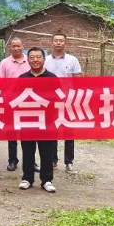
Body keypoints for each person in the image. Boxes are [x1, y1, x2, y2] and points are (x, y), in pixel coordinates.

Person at [18, 47, 57, 193]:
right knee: (27, 150)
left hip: (46, 121)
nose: (35, 60)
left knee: (47, 151)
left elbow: (58, 98)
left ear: (44, 59)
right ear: (27, 60)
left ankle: (47, 180)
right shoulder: (22, 78)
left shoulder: (52, 78)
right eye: (32, 57)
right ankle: (27, 178)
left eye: (38, 57)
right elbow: (15, 98)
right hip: (27, 120)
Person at [45, 33, 82, 174]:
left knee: (69, 132)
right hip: (50, 101)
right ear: (52, 43)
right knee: (51, 132)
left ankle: (69, 162)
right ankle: (52, 160)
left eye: (61, 40)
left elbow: (78, 80)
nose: (58, 43)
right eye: (56, 40)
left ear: (66, 43)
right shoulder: (46, 60)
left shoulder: (73, 60)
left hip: (68, 100)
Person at [0, 37, 31, 172]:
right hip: (11, 102)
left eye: (18, 46)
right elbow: (0, 83)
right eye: (13, 46)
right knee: (11, 133)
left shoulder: (30, 61)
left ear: (23, 46)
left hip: (28, 103)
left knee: (28, 134)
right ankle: (12, 160)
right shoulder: (4, 63)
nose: (16, 48)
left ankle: (30, 161)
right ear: (10, 47)